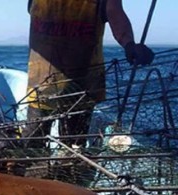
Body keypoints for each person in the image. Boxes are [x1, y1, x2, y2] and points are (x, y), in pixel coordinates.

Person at [21, 0, 155, 148]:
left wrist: (129, 44)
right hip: (42, 86)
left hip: (81, 87)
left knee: (73, 146)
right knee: (33, 144)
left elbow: (115, 15)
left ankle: (65, 167)